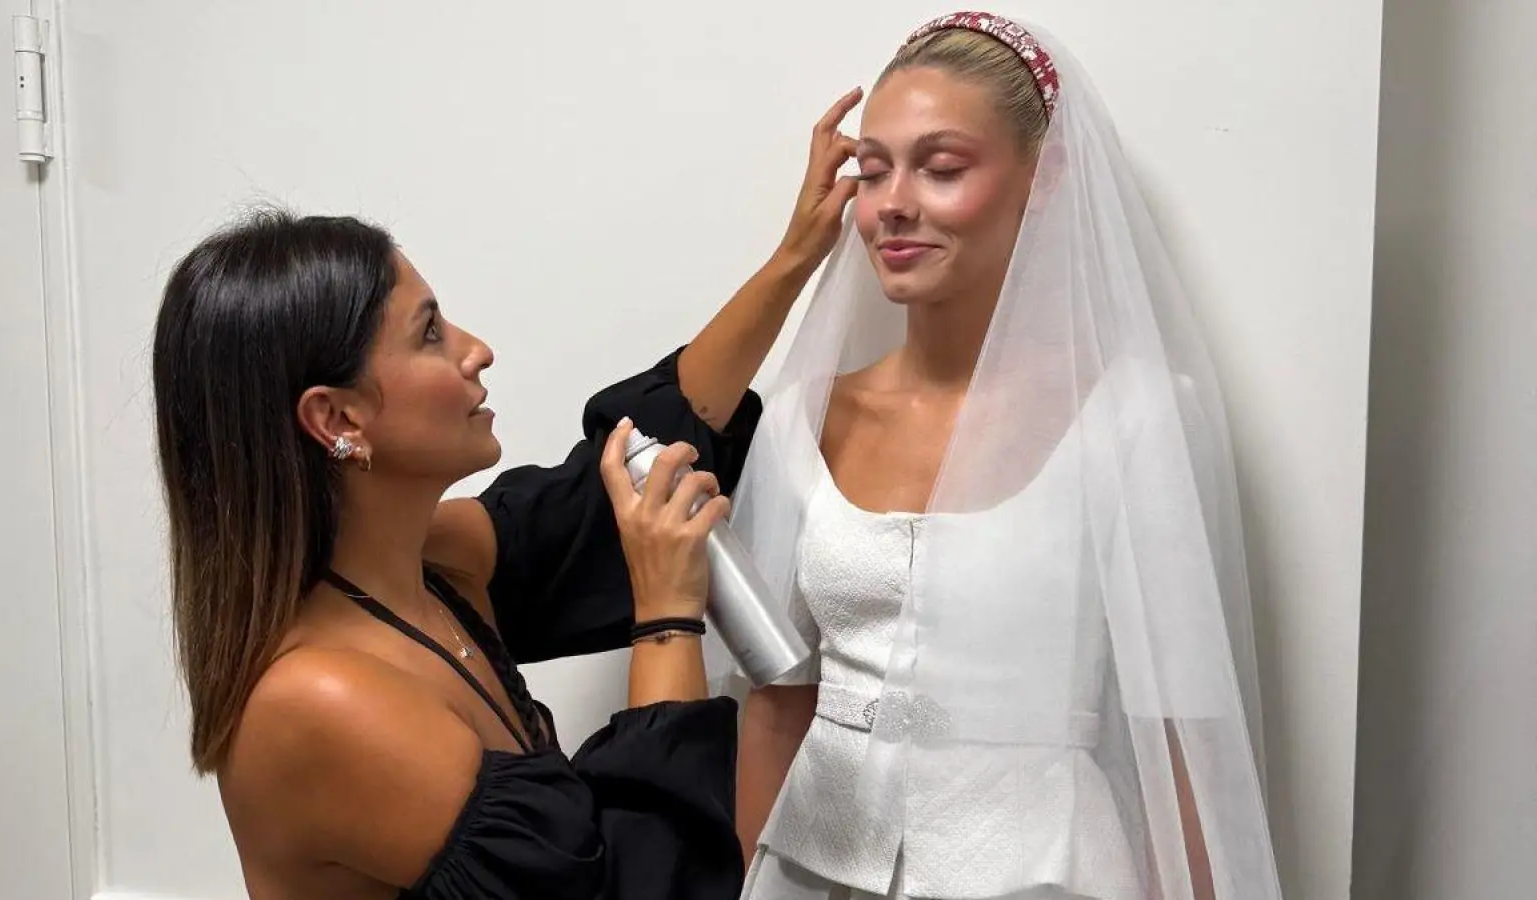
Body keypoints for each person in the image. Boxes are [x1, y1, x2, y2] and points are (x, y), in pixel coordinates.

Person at [148, 90, 862, 900]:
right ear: (338, 418)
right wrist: (669, 617)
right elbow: (637, 887)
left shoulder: (430, 571)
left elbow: (596, 498)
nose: (475, 350)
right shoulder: (322, 701)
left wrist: (794, 260)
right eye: (428, 333)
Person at [723, 12, 1284, 900]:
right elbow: (776, 704)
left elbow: (1183, 738)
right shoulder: (802, 418)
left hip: (1041, 874)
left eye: (941, 168)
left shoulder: (1128, 416)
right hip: (808, 873)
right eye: (873, 171)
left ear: (1045, 176)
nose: (894, 204)